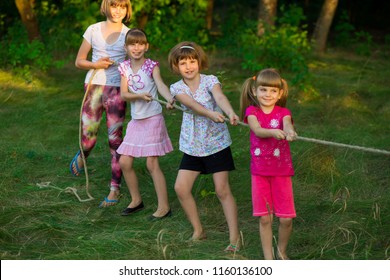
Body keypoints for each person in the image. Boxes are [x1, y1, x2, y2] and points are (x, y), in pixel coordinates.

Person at [168, 41, 241, 252]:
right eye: (183, 63)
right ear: (176, 66)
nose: (189, 66)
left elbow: (219, 96)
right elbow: (191, 105)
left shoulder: (210, 80)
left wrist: (229, 113)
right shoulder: (177, 88)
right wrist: (210, 113)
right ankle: (199, 230)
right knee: (181, 188)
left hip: (216, 143)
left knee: (222, 190)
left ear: (200, 62)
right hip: (192, 145)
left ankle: (235, 238)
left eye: (192, 61)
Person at [69, 0, 132, 208]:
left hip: (117, 90)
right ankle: (83, 153)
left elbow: (135, 63)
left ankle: (115, 188)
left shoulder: (128, 34)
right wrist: (96, 64)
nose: (118, 11)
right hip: (94, 87)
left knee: (115, 141)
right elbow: (79, 60)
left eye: (122, 6)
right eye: (114, 5)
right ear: (106, 6)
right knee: (89, 138)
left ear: (127, 9)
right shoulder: (93, 29)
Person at [239, 68, 297, 260]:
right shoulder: (252, 111)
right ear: (255, 91)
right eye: (263, 90)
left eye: (273, 91)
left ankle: (281, 251)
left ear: (280, 94)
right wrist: (273, 132)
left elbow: (287, 124)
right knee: (265, 218)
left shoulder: (284, 112)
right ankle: (268, 258)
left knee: (286, 219)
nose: (268, 94)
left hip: (281, 172)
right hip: (260, 172)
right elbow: (257, 130)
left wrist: (290, 132)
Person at [117, 28, 174, 219]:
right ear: (126, 48)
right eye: (132, 44)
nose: (137, 47)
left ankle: (164, 207)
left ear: (146, 46)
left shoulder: (151, 66)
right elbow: (124, 94)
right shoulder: (124, 68)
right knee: (124, 161)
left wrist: (169, 99)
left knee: (151, 163)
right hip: (136, 121)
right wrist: (140, 95)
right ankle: (136, 200)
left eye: (141, 44)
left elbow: (161, 85)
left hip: (153, 119)